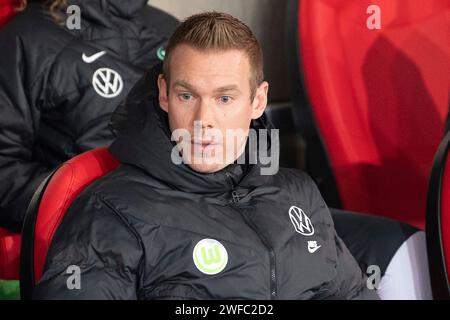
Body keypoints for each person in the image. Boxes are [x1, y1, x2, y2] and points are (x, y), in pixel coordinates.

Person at [33, 12, 379, 300]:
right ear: (164, 94)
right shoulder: (111, 210)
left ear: (258, 101)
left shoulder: (298, 191)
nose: (203, 122)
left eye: (224, 99)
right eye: (187, 96)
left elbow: (352, 294)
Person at [0, 0, 177, 232]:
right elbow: (5, 172)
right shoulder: (27, 38)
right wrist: (92, 207)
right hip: (93, 240)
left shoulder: (171, 30)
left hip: (182, 225)